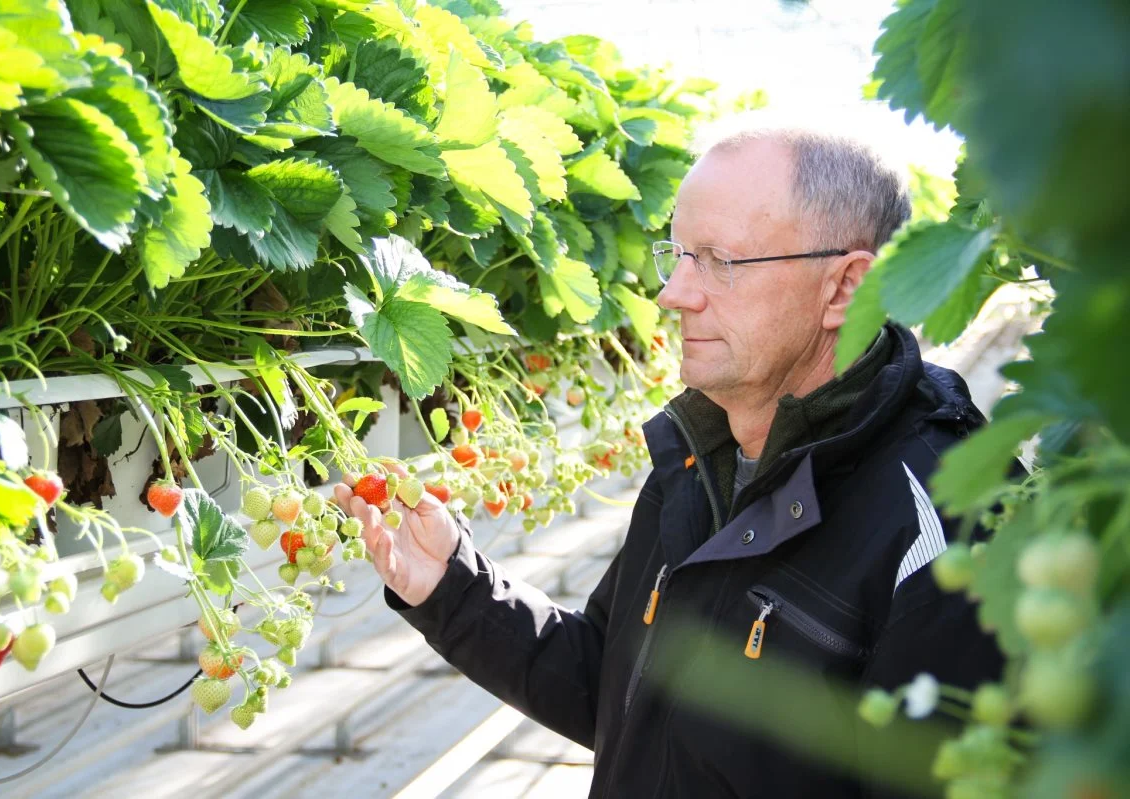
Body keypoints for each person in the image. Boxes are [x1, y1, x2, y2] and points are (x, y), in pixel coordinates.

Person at [332, 126, 1004, 798]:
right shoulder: (697, 455)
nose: (674, 293)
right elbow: (618, 690)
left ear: (843, 289)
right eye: (677, 253)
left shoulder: (949, 527)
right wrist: (453, 587)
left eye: (718, 260)